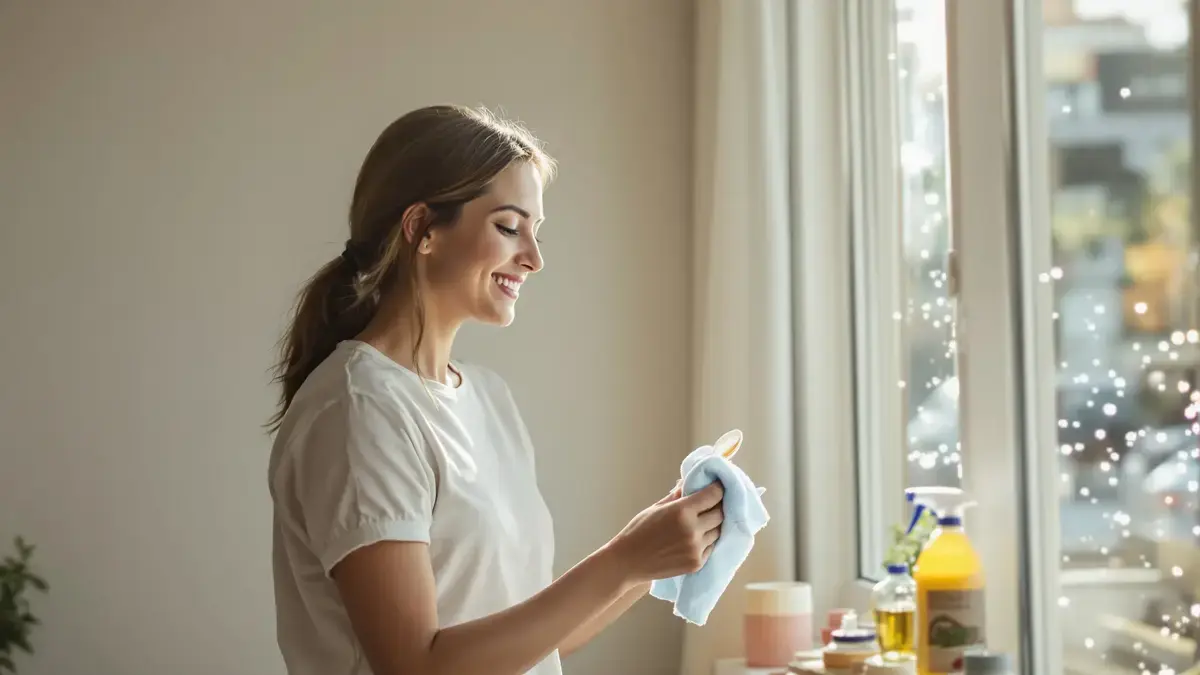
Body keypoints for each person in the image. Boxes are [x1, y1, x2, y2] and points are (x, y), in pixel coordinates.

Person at [266, 104, 725, 675]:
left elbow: (531, 642)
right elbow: (415, 665)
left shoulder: (487, 400)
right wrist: (622, 560)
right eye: (509, 227)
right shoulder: (359, 409)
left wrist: (644, 558)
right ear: (422, 230)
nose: (533, 258)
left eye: (535, 231)